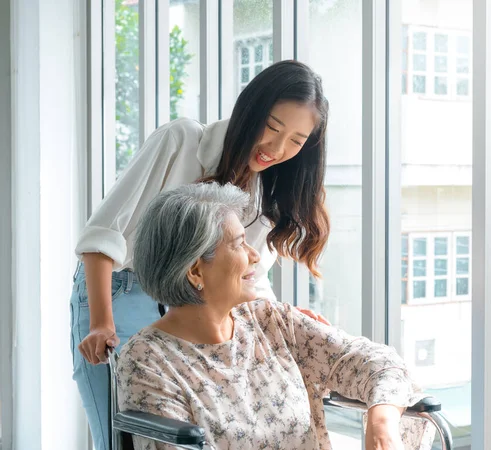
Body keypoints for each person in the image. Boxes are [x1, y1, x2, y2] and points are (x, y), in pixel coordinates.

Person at [71, 60, 331, 450]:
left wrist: (284, 321)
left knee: (195, 435)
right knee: (122, 437)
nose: (276, 149)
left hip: (195, 313)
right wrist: (100, 322)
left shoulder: (263, 194)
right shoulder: (181, 141)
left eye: (295, 141)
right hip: (121, 293)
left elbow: (251, 279)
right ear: (250, 110)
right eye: (273, 127)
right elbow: (103, 236)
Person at [117, 183, 434, 450]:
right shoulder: (147, 360)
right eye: (241, 244)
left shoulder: (271, 321)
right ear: (196, 270)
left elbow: (376, 361)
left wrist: (381, 420)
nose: (255, 255)